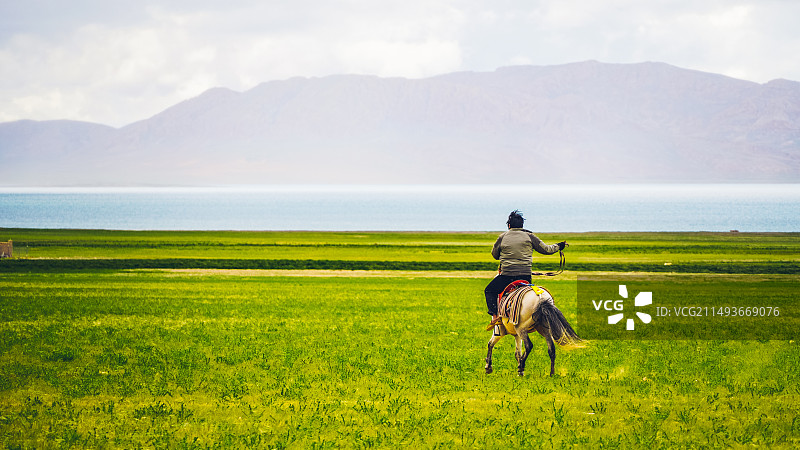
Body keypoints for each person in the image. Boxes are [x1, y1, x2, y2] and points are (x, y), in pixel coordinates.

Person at [484, 210, 566, 328]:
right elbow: (547, 250)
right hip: (525, 276)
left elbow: (494, 255)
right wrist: (559, 246)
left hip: (507, 276)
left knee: (489, 290)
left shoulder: (502, 237)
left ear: (509, 225)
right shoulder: (530, 236)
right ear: (522, 226)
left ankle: (496, 317)